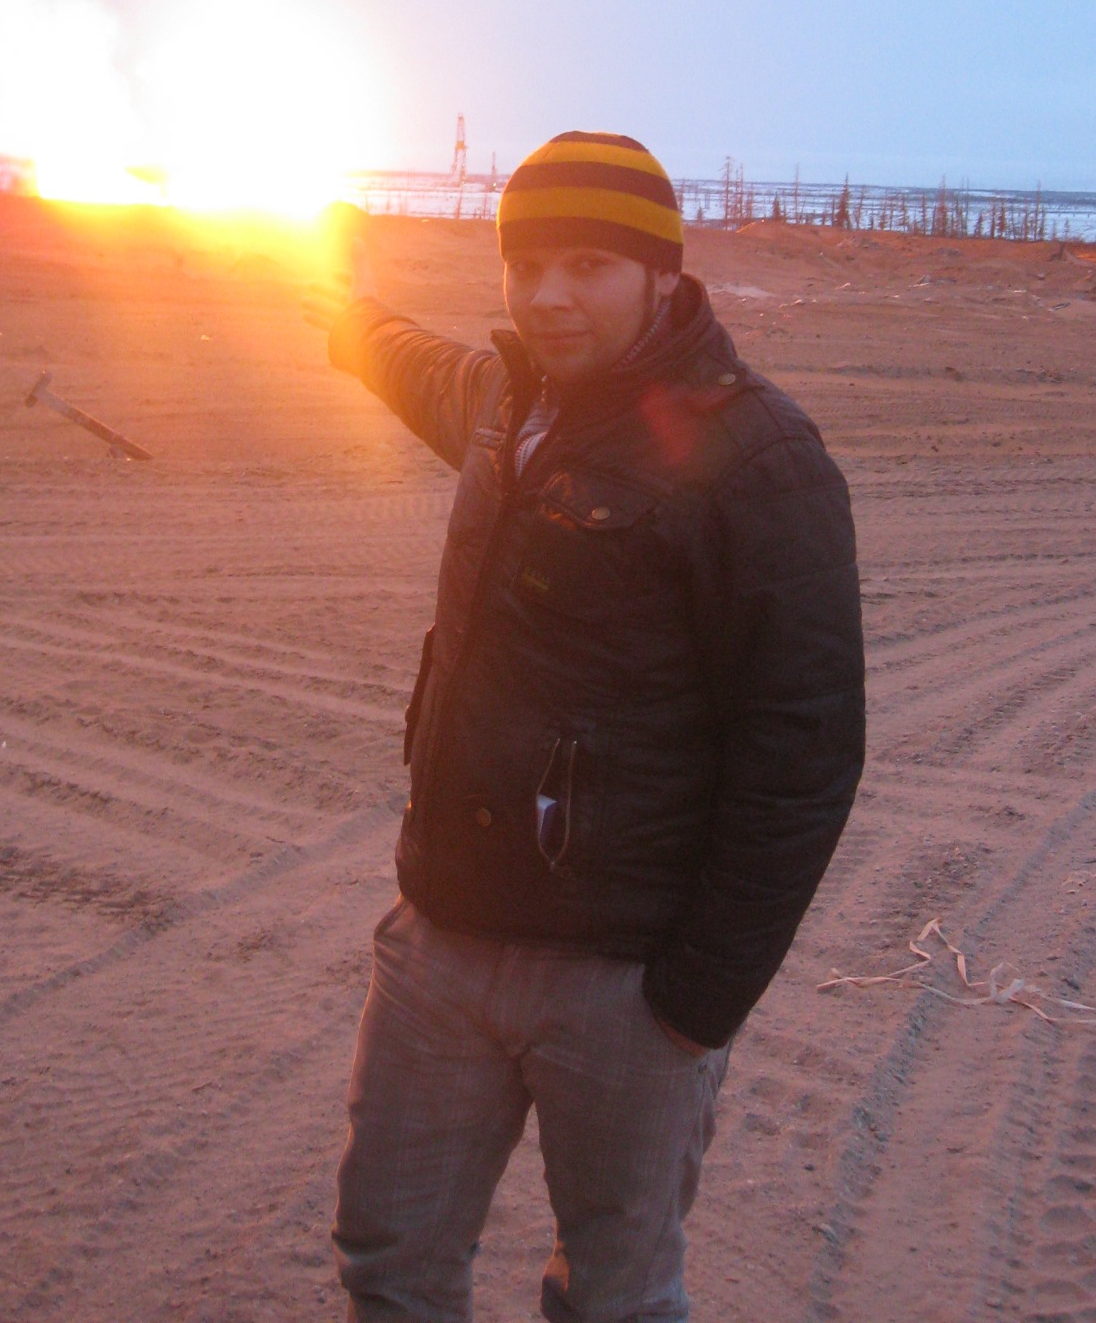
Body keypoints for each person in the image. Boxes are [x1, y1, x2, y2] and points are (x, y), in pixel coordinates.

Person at [309, 131, 865, 1323]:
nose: (548, 295)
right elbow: (416, 364)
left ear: (662, 273)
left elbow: (804, 749)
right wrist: (343, 309)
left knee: (613, 1296)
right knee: (389, 1264)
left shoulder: (760, 456)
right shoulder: (506, 405)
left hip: (623, 979)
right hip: (443, 941)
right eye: (525, 265)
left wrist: (696, 1001)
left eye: (587, 265)